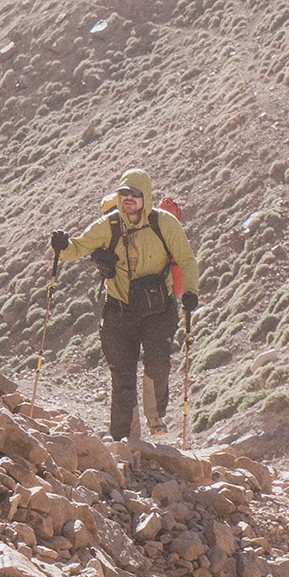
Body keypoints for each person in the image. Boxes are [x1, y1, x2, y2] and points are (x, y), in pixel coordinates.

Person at [52, 169, 200, 441]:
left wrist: (190, 291)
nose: (128, 198)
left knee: (158, 362)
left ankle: (155, 417)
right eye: (123, 193)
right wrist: (61, 246)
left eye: (134, 193)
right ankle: (125, 442)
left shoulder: (164, 223)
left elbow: (187, 260)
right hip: (119, 311)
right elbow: (76, 249)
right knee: (122, 377)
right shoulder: (107, 225)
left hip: (159, 309)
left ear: (146, 196)